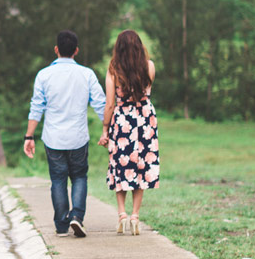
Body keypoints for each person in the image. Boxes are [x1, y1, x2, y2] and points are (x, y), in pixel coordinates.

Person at [25, 30, 107, 238]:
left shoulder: (43, 75)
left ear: (56, 50)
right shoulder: (87, 74)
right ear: (76, 51)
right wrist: (109, 129)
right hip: (78, 137)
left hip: (53, 139)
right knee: (79, 177)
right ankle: (77, 217)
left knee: (58, 180)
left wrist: (29, 136)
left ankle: (62, 225)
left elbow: (37, 107)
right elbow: (100, 104)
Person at [97, 30, 159, 236]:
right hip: (145, 119)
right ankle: (135, 216)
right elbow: (145, 92)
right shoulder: (149, 66)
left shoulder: (114, 69)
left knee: (121, 165)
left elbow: (109, 104)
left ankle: (122, 214)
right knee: (140, 166)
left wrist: (105, 129)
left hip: (123, 120)